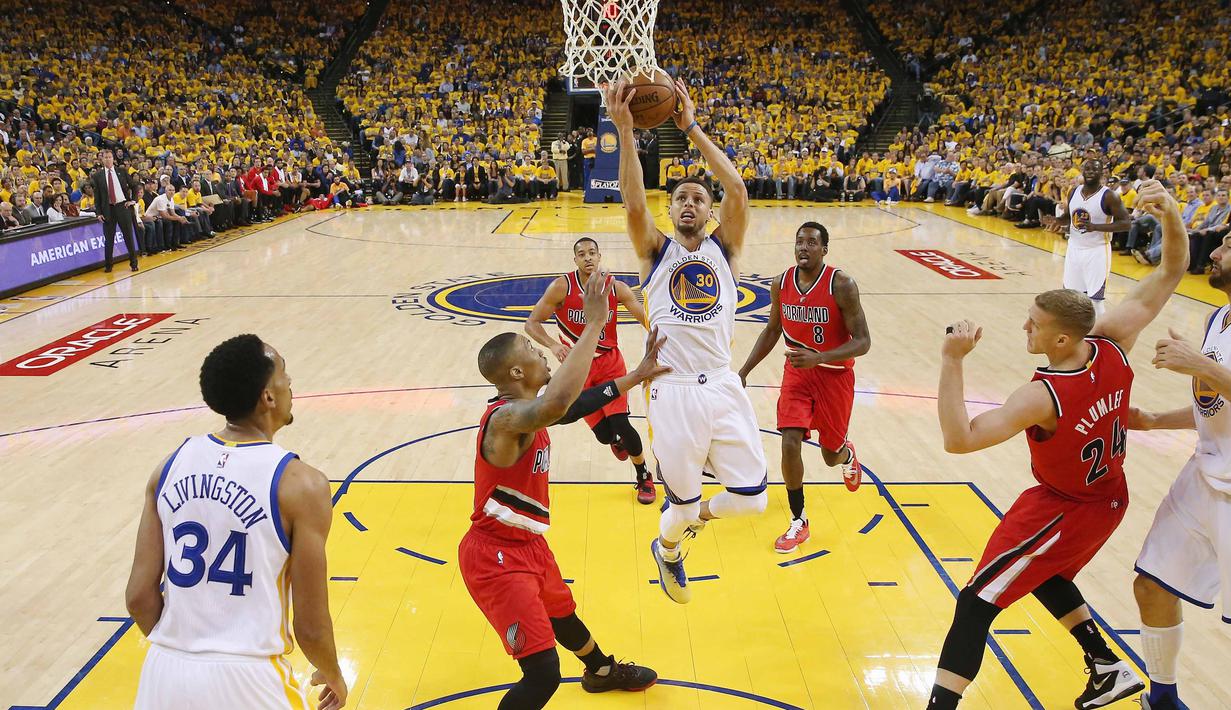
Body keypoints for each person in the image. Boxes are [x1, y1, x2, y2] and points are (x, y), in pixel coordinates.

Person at [926, 181, 1188, 710]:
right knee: (1043, 572)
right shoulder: (1112, 342)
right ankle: (1106, 665)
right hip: (1100, 496)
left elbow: (959, 440)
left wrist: (952, 360)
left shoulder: (1042, 397)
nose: (1025, 327)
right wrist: (1173, 217)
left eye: (1035, 324)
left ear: (1062, 340)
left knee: (976, 603)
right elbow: (1170, 273)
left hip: (1070, 507)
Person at [464, 270, 662, 709]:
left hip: (528, 545)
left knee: (562, 612)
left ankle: (602, 670)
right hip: (494, 556)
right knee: (542, 676)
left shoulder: (527, 412)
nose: (542, 354)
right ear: (518, 371)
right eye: (535, 350)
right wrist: (593, 324)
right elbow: (558, 402)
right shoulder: (503, 420)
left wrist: (636, 375)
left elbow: (571, 407)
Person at [605, 79, 768, 605]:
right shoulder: (655, 253)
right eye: (681, 198)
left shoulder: (726, 247)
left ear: (708, 209)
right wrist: (625, 132)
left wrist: (691, 128)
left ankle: (688, 517)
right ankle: (669, 547)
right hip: (671, 390)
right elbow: (633, 204)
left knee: (751, 501)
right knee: (675, 511)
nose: (691, 203)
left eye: (699, 197)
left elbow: (738, 192)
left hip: (722, 384)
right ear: (671, 211)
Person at [125, 335, 346, 710]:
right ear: (268, 397)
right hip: (250, 680)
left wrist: (188, 654)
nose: (290, 381)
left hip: (164, 674)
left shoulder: (168, 467)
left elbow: (139, 597)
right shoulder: (302, 485)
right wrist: (334, 674)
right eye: (283, 373)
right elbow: (309, 626)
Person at [1128, 229, 1231, 710]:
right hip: (1204, 474)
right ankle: (1163, 699)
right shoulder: (1220, 317)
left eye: (1229, 245)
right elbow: (1215, 405)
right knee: (1151, 584)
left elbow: (1214, 380)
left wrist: (1200, 365)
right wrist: (1153, 420)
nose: (1215, 252)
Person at [738, 221, 871, 553]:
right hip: (797, 373)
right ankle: (799, 520)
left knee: (829, 455)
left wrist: (821, 357)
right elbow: (772, 329)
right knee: (789, 441)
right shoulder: (781, 283)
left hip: (835, 376)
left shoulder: (842, 284)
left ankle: (846, 455)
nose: (804, 247)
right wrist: (743, 370)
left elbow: (864, 342)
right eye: (800, 242)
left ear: (824, 249)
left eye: (812, 242)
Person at [525, 238, 656, 503]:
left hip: (610, 364)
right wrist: (552, 345)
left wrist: (662, 337)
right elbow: (532, 323)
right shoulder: (561, 287)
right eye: (582, 254)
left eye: (592, 253)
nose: (588, 258)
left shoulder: (615, 287)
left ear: (599, 256)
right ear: (575, 260)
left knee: (621, 423)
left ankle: (643, 475)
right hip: (578, 371)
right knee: (605, 435)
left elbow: (646, 318)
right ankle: (615, 439)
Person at [1046, 159, 1131, 317]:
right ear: (1082, 171)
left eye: (1095, 169)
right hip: (1074, 248)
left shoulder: (1109, 196)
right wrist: (1057, 221)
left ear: (1102, 173)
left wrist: (1096, 227)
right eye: (1088, 169)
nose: (1091, 172)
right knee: (1070, 297)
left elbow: (1126, 223)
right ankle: (1075, 334)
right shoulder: (1074, 191)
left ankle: (1098, 337)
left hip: (1097, 250)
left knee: (1095, 301)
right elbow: (1068, 217)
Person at [91, 149, 140, 272]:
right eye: (105, 157)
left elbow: (135, 186)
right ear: (102, 160)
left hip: (123, 207)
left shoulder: (122, 171)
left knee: (128, 236)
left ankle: (134, 263)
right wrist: (99, 213)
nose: (107, 159)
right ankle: (108, 265)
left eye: (109, 157)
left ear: (113, 159)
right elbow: (97, 197)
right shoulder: (98, 176)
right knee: (109, 239)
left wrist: (133, 201)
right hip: (108, 209)